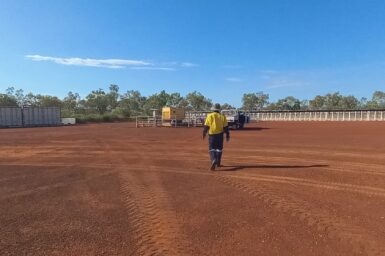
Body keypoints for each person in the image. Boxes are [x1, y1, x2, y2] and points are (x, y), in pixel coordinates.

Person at [202, 103, 230, 171]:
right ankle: (218, 163)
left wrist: (204, 133)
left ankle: (213, 159)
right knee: (219, 149)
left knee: (212, 148)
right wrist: (227, 135)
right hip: (220, 135)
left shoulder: (210, 116)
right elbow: (226, 127)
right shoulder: (222, 116)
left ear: (213, 109)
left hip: (212, 135)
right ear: (219, 109)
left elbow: (206, 126)